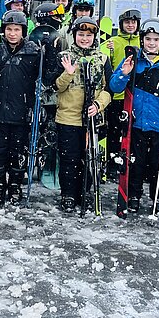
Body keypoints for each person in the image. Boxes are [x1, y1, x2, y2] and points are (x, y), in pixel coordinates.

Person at [109, 17, 159, 214]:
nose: (151, 43)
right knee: (137, 162)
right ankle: (133, 195)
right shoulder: (134, 61)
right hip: (138, 123)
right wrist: (124, 74)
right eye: (148, 39)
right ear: (142, 40)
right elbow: (114, 86)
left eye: (156, 40)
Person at [0, 10, 54, 206]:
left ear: (23, 31)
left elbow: (47, 76)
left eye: (16, 29)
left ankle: (15, 184)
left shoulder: (33, 52)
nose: (12, 33)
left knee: (17, 151)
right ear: (3, 30)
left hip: (22, 111)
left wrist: (48, 54)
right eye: (8, 29)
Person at [53, 16, 113, 212]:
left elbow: (109, 89)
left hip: (92, 118)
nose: (84, 38)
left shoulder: (102, 59)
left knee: (88, 158)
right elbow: (56, 87)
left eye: (88, 35)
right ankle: (68, 194)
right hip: (68, 117)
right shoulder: (64, 56)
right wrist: (68, 72)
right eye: (81, 34)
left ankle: (84, 192)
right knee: (69, 158)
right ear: (74, 35)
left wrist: (98, 104)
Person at [103, 9, 141, 176]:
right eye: (127, 22)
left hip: (136, 95)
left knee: (133, 132)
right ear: (121, 25)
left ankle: (132, 163)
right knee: (114, 131)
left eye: (133, 22)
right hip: (117, 95)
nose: (130, 25)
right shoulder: (114, 42)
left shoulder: (144, 41)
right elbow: (106, 64)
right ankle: (112, 163)